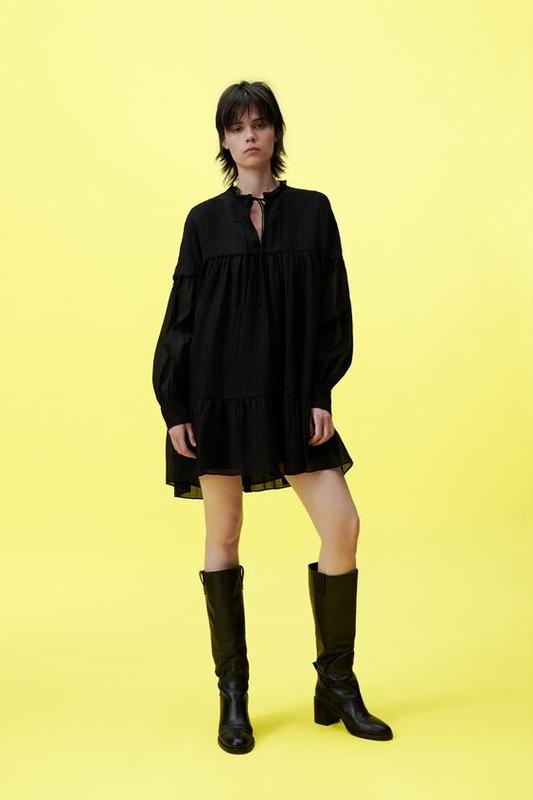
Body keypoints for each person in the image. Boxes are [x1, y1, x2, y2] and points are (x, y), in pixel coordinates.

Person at [152, 80, 393, 754]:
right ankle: (233, 698)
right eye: (236, 127)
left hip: (290, 396)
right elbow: (182, 319)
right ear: (224, 141)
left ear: (276, 133)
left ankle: (335, 685)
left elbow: (332, 309)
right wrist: (174, 405)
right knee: (223, 534)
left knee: (342, 525)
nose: (249, 135)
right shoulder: (203, 222)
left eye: (259, 123)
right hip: (217, 399)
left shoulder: (313, 212)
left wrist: (320, 393)